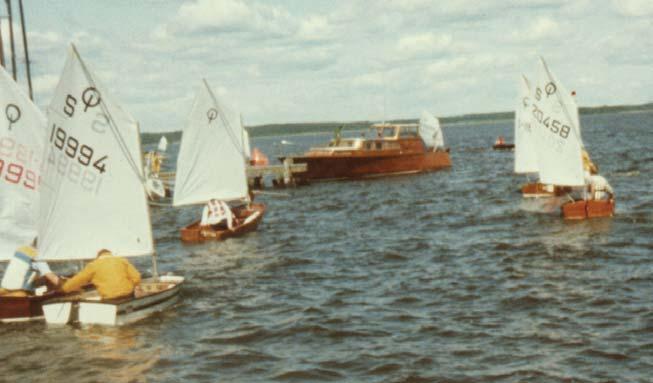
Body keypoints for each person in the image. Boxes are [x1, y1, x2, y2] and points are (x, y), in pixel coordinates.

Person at [60, 249, 141, 300]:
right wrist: (133, 285)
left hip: (110, 298)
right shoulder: (122, 260)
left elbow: (78, 279)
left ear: (98, 256)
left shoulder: (93, 265)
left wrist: (65, 289)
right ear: (110, 254)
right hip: (127, 295)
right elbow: (137, 277)